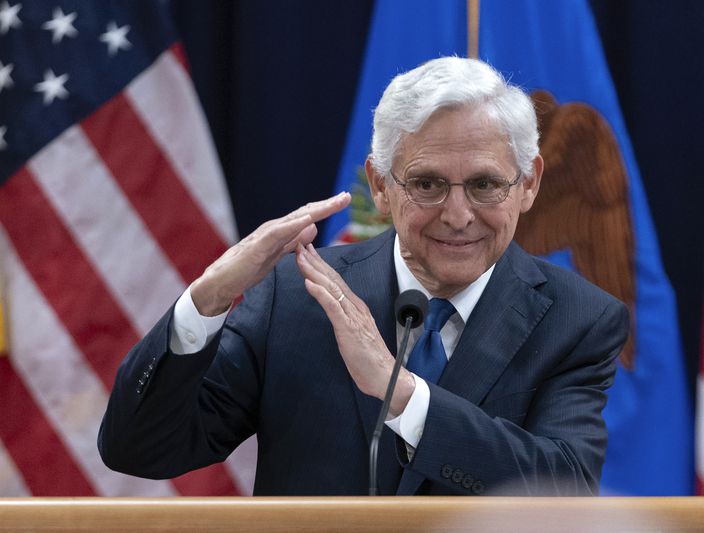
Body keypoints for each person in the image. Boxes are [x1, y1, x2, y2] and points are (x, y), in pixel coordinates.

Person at [98, 57, 628, 496]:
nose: (459, 214)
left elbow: (565, 490)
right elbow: (140, 448)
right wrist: (209, 296)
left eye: (486, 185)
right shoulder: (296, 294)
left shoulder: (578, 319)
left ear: (529, 183)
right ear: (380, 183)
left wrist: (402, 396)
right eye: (427, 184)